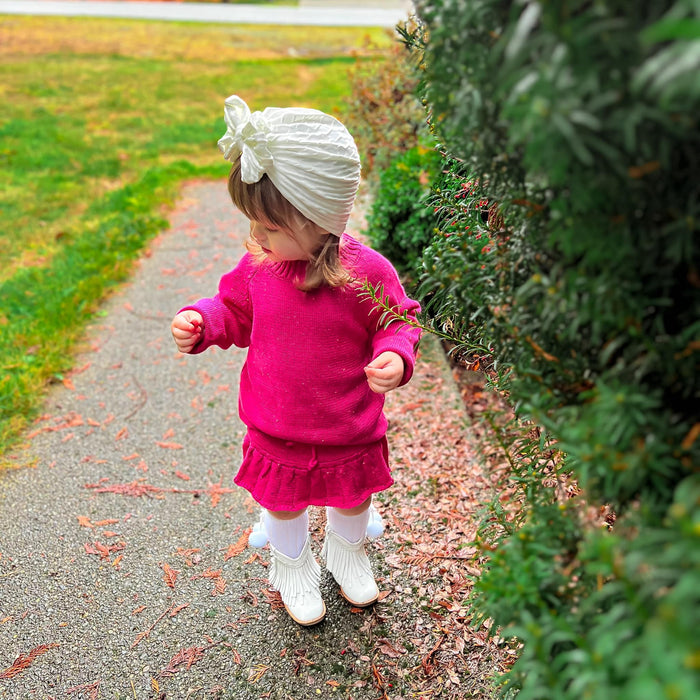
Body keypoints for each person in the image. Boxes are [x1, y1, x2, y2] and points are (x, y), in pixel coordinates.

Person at [171, 95, 421, 626]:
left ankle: (347, 552)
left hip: (347, 422)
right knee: (283, 501)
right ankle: (291, 564)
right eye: (253, 224)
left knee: (352, 496)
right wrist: (202, 320)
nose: (256, 237)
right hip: (276, 422)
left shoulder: (366, 273)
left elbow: (397, 321)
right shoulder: (259, 268)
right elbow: (232, 311)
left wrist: (396, 356)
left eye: (269, 226)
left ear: (318, 219)